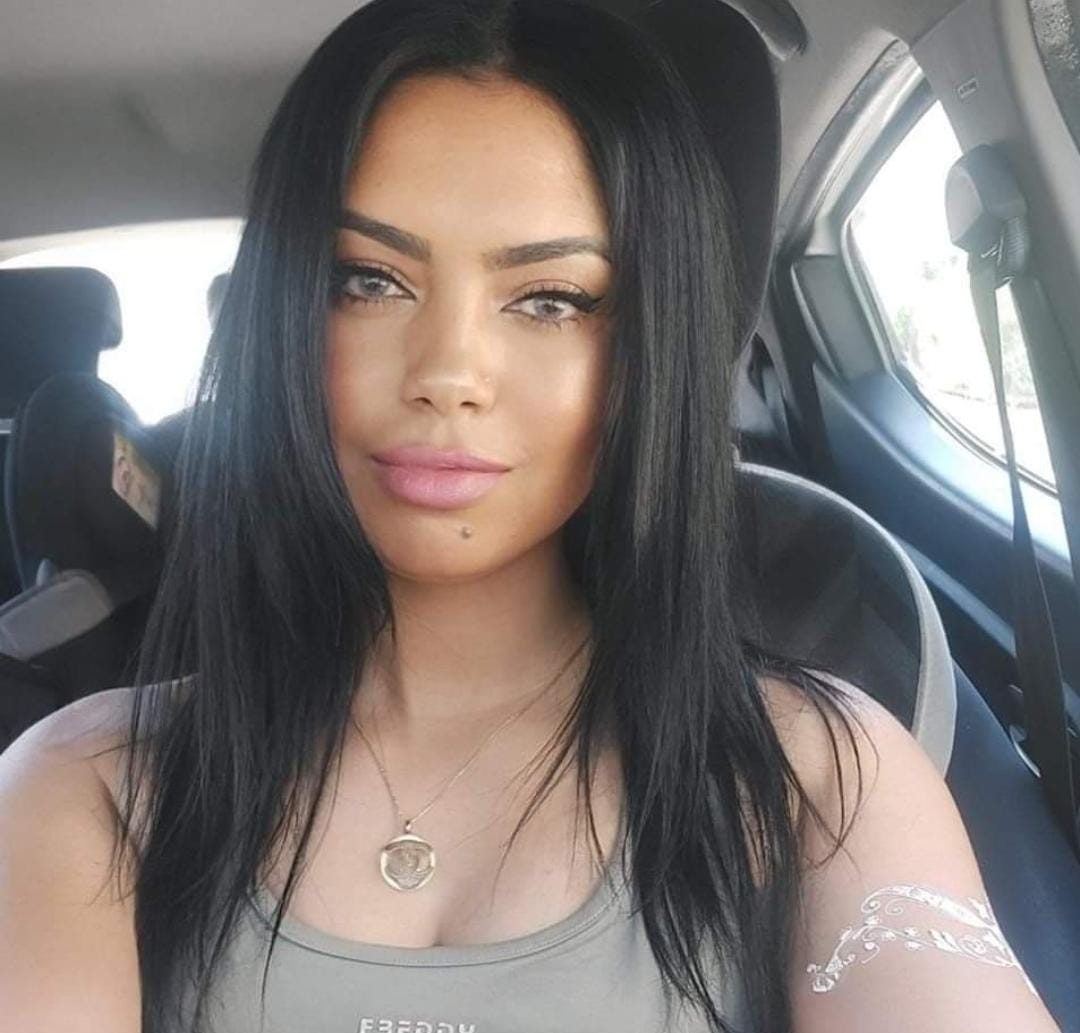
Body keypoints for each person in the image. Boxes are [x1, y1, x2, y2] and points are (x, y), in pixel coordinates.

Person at [0, 1, 1061, 1032]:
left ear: (649, 342)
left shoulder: (819, 778)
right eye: (368, 280)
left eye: (550, 299)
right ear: (279, 312)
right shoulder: (85, 787)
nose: (448, 372)